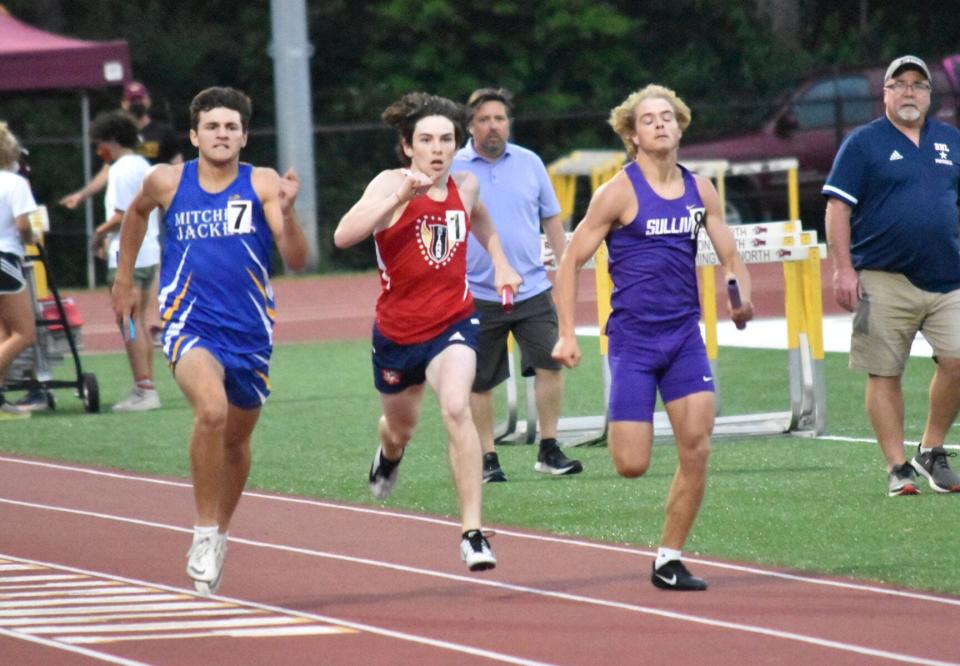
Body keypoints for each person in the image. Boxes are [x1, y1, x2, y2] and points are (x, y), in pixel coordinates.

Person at [551, 85, 753, 591]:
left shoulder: (700, 190)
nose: (661, 124)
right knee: (631, 464)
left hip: (684, 336)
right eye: (649, 119)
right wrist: (565, 334)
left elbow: (730, 254)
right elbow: (570, 261)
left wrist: (739, 296)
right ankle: (660, 537)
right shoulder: (618, 191)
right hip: (634, 343)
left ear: (681, 126)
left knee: (698, 446)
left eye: (668, 117)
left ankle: (668, 558)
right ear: (632, 134)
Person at [111, 87, 307, 595]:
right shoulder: (168, 181)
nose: (222, 134)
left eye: (231, 127)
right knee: (212, 413)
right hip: (188, 323)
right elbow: (134, 215)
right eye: (212, 126)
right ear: (195, 135)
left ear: (244, 136)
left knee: (237, 441)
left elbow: (299, 260)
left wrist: (289, 211)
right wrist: (124, 280)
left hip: (250, 332)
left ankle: (220, 532)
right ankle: (201, 532)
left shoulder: (261, 183)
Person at [334, 92, 521, 572]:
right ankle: (389, 453)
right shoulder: (389, 183)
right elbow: (343, 235)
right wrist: (400, 197)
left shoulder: (466, 184)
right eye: (426, 140)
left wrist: (500, 262)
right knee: (401, 429)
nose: (437, 148)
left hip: (453, 322)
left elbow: (478, 218)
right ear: (407, 146)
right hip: (397, 334)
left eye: (446, 139)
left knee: (457, 407)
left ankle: (472, 533)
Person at [823, 55, 960, 497]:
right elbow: (837, 207)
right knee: (885, 373)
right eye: (898, 84)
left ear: (929, 95)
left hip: (948, 274)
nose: (908, 92)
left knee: (958, 360)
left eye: (918, 85)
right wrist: (843, 268)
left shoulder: (950, 141)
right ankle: (896, 465)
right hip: (883, 275)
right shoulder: (864, 143)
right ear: (885, 93)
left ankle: (931, 447)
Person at [452, 87, 581, 483]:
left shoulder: (530, 163)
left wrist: (567, 268)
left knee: (551, 363)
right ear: (471, 125)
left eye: (500, 118)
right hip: (477, 292)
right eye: (485, 119)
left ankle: (548, 448)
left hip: (532, 289)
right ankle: (488, 458)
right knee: (479, 380)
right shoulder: (453, 166)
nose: (494, 126)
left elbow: (553, 224)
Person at [89, 111, 162, 412]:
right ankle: (146, 384)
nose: (99, 150)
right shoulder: (144, 166)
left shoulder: (120, 170)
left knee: (128, 323)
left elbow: (123, 214)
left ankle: (143, 387)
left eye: (101, 143)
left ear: (113, 140)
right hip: (149, 252)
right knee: (139, 320)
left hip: (127, 255)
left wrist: (99, 234)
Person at [60, 80, 183, 210]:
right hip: (127, 200)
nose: (137, 104)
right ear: (124, 104)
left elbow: (178, 168)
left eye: (140, 99)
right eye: (133, 100)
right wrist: (82, 195)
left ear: (148, 101)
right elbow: (106, 169)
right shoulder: (117, 135)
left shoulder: (164, 132)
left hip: (159, 202)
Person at [0, 122, 37, 420]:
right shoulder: (14, 183)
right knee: (25, 333)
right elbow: (24, 226)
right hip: (5, 256)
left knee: (3, 332)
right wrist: (31, 239)